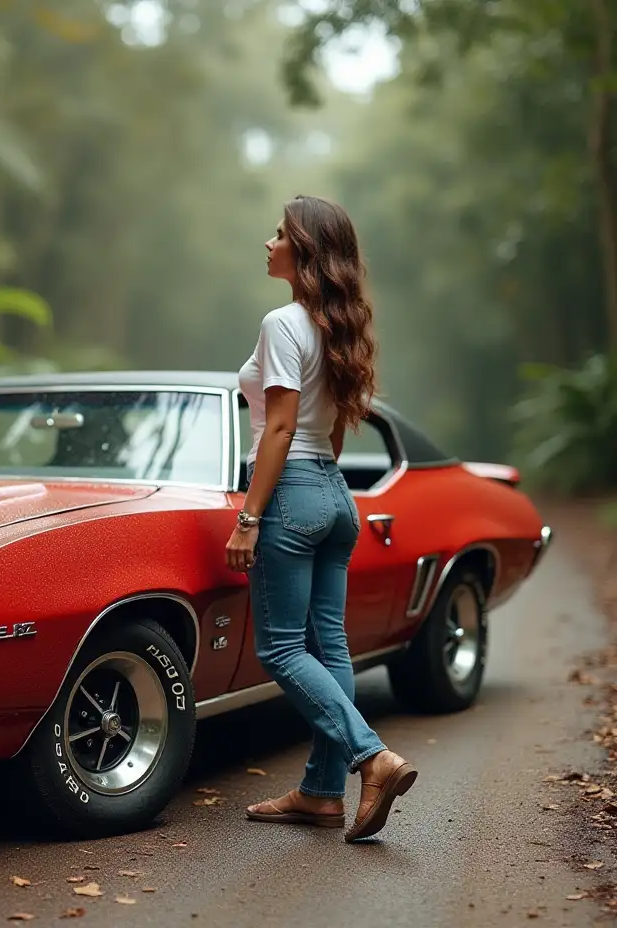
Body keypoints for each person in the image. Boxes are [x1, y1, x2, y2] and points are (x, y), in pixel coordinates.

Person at [227, 194, 416, 843]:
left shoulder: (282, 323)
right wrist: (314, 487)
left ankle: (373, 758)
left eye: (279, 233)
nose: (269, 241)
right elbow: (330, 434)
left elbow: (278, 429)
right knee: (328, 645)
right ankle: (321, 793)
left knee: (282, 647)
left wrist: (250, 517)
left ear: (303, 250)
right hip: (334, 496)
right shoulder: (341, 325)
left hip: (290, 492)